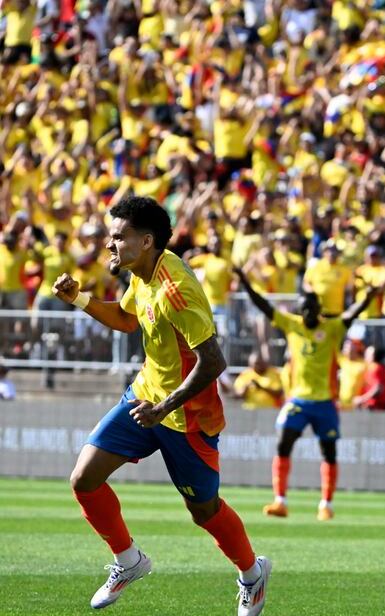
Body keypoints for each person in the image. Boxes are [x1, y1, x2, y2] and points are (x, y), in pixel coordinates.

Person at [53, 196, 269, 615]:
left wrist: (163, 408)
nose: (109, 245)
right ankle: (128, 561)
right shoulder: (142, 271)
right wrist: (80, 300)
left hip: (188, 417)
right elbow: (127, 319)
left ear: (146, 241)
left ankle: (252, 573)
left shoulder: (176, 289)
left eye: (118, 237)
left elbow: (214, 361)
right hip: (145, 394)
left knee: (204, 511)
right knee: (84, 479)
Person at [235, 265, 380, 521]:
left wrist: (367, 297)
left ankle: (326, 504)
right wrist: (246, 282)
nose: (307, 313)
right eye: (303, 309)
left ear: (319, 309)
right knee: (283, 441)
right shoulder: (292, 325)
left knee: (329, 452)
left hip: (324, 401)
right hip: (298, 399)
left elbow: (352, 314)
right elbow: (264, 306)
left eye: (311, 308)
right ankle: (280, 501)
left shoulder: (332, 328)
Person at [353, 345, 385, 411]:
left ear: (373, 356)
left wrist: (362, 399)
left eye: (367, 354)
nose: (365, 356)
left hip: (376, 407)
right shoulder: (382, 369)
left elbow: (378, 387)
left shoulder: (373, 368)